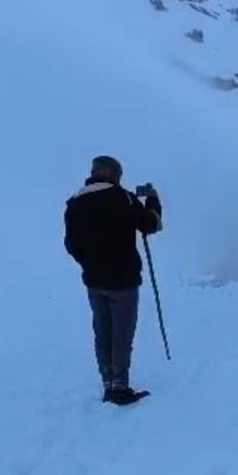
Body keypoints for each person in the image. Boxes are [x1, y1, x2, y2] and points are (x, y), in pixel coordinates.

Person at [63, 155, 162, 405]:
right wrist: (153, 200)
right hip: (124, 280)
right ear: (115, 174)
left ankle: (107, 381)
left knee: (102, 331)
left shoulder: (74, 203)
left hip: (94, 281)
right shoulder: (124, 198)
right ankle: (120, 384)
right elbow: (151, 225)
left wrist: (89, 263)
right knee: (122, 333)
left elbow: (71, 245)